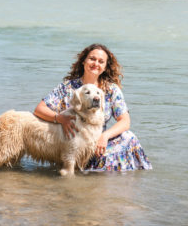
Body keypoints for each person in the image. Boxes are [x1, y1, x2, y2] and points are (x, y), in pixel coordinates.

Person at [33, 43, 152, 172]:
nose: (96, 63)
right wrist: (59, 118)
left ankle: (118, 179)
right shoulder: (67, 87)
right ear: (84, 61)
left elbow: (125, 121)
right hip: (71, 143)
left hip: (97, 144)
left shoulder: (111, 90)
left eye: (101, 61)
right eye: (92, 59)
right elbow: (39, 109)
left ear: (105, 67)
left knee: (129, 137)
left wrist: (104, 136)